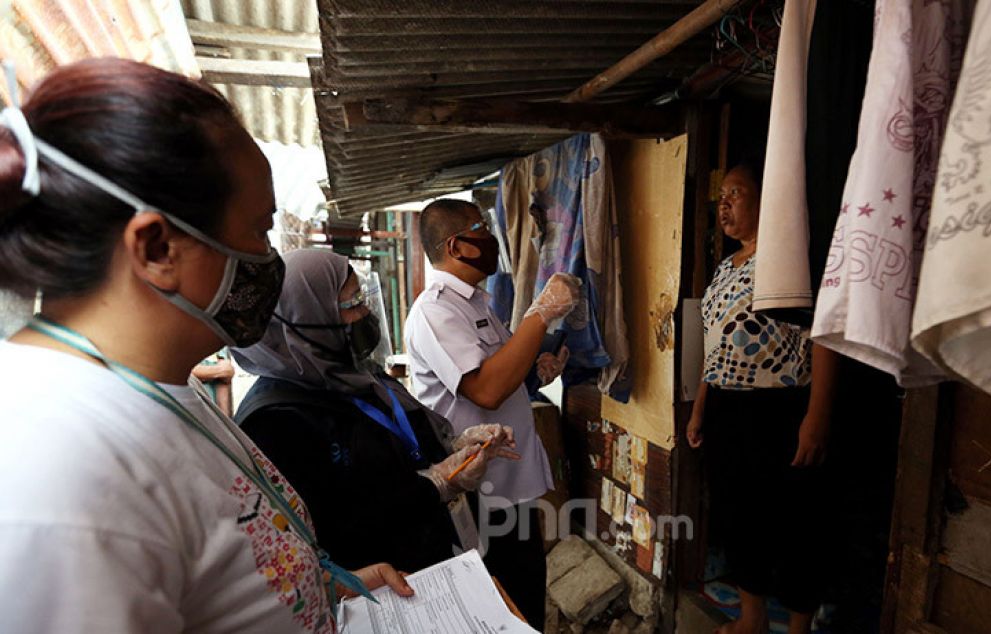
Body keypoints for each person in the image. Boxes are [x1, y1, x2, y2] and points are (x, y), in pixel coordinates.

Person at [0, 58, 410, 633]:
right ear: (158, 248)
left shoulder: (153, 387)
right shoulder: (56, 475)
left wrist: (322, 591)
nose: (271, 262)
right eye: (260, 231)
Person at [231, 248, 519, 573]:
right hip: (375, 589)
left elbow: (400, 445)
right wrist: (437, 483)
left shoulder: (354, 374)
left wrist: (455, 447)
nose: (366, 311)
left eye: (363, 298)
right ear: (306, 316)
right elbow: (334, 525)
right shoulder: (274, 421)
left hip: (427, 561)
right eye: (352, 304)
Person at [404, 198, 581, 630]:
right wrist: (540, 314)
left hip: (510, 488)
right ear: (456, 246)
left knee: (526, 603)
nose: (490, 236)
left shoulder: (477, 304)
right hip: (476, 495)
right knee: (499, 612)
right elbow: (485, 389)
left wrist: (534, 373)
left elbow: (501, 376)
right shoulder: (435, 310)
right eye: (479, 227)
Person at [686, 162, 839, 634]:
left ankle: (797, 626)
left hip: (780, 407)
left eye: (737, 193)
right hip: (726, 409)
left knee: (795, 520)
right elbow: (716, 341)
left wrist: (816, 416)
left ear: (766, 200)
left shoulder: (790, 258)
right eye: (722, 197)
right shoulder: (725, 266)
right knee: (737, 515)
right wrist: (699, 406)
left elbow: (823, 336)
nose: (724, 204)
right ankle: (751, 618)